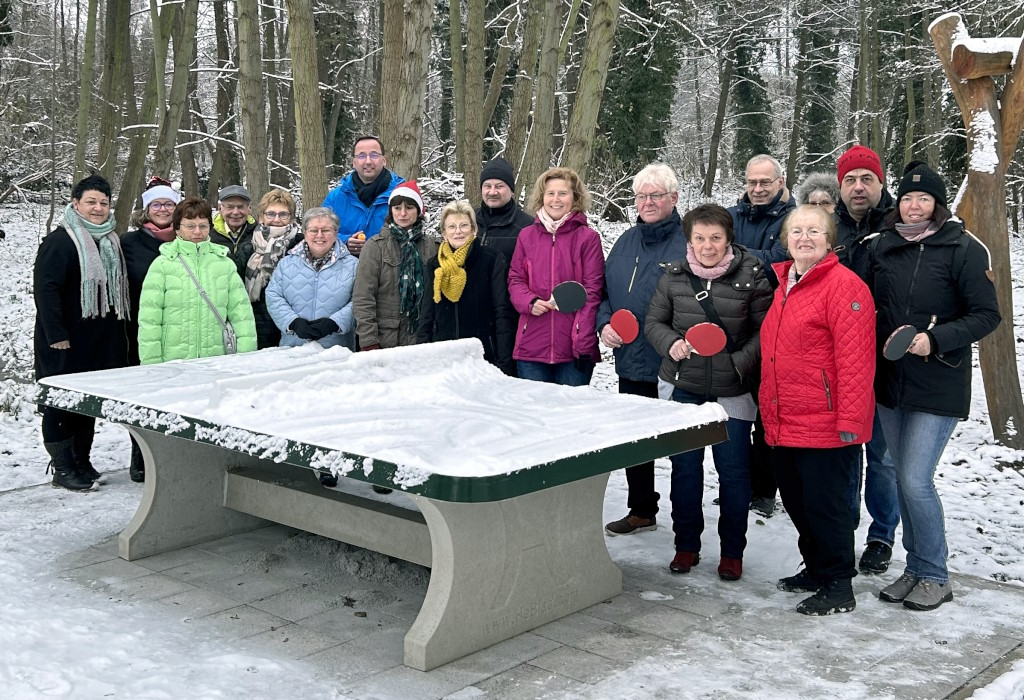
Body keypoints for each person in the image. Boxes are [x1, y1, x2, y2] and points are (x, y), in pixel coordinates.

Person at [868, 162, 1000, 611]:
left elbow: (986, 315)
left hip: (938, 382)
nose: (914, 204)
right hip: (889, 383)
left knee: (915, 479)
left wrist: (934, 339)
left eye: (923, 199)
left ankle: (935, 574)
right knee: (902, 481)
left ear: (938, 204)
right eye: (907, 198)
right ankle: (915, 567)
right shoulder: (881, 246)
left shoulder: (963, 248)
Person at [644, 203, 772, 581]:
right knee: (685, 470)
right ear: (689, 239)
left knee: (733, 473)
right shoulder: (674, 275)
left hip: (733, 390)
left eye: (715, 238)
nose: (707, 245)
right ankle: (686, 546)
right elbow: (654, 321)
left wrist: (738, 364)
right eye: (699, 238)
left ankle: (732, 552)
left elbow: (767, 331)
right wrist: (671, 344)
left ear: (728, 238)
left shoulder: (753, 274)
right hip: (685, 387)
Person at [761, 204, 876, 616]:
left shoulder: (844, 287)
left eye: (814, 231)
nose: (804, 238)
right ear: (786, 240)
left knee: (827, 507)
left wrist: (850, 420)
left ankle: (839, 585)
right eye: (797, 231)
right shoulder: (785, 283)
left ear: (830, 240)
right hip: (785, 418)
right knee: (797, 501)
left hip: (826, 423)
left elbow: (856, 362)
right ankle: (815, 569)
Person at [597, 162, 688, 537]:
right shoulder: (625, 240)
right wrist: (604, 324)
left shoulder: (688, 241)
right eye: (641, 196)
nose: (647, 202)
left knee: (682, 445)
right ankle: (641, 509)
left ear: (674, 198)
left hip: (675, 361)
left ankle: (686, 526)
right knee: (636, 440)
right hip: (630, 359)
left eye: (655, 195)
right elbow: (601, 291)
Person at [33, 174, 130, 491]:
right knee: (61, 403)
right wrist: (56, 335)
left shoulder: (110, 241)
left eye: (103, 202)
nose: (98, 208)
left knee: (86, 404)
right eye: (91, 202)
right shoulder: (60, 241)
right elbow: (46, 291)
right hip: (64, 341)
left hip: (97, 342)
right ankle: (62, 467)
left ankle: (81, 461)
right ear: (76, 204)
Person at [833, 145, 900, 578]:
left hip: (886, 360)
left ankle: (881, 534)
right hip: (838, 361)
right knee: (843, 453)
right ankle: (842, 529)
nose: (859, 188)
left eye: (867, 179)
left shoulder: (902, 225)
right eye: (850, 180)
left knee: (882, 457)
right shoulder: (827, 227)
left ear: (880, 183)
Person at [729, 154, 795, 519]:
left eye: (765, 183)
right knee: (736, 413)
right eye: (752, 182)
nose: (757, 189)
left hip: (775, 327)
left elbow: (778, 265)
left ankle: (764, 490)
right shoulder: (733, 214)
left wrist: (733, 253)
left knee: (766, 414)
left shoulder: (792, 219)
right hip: (733, 326)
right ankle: (738, 484)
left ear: (781, 181)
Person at [507, 167, 604, 386]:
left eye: (563, 193)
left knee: (571, 418)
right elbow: (515, 279)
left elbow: (592, 291)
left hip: (572, 350)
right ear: (542, 196)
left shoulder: (588, 238)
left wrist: (582, 340)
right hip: (531, 347)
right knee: (535, 418)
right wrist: (529, 302)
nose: (556, 199)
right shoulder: (526, 236)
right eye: (550, 193)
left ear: (575, 197)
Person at [138, 196, 257, 364]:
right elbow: (150, 320)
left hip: (216, 360)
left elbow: (242, 315)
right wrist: (152, 364)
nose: (197, 232)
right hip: (172, 362)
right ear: (177, 228)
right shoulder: (163, 265)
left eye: (203, 226)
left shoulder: (224, 264)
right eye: (190, 226)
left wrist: (245, 358)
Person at [122, 176, 182, 482]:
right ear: (146, 210)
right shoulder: (129, 243)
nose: (162, 209)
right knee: (144, 395)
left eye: (168, 203)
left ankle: (175, 456)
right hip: (141, 329)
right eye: (156, 204)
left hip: (180, 329)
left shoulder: (186, 239)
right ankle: (141, 454)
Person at [418, 200, 514, 374]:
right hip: (443, 357)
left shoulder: (491, 260)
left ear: (474, 230)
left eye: (464, 225)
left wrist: (504, 362)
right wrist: (421, 358)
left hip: (483, 357)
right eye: (452, 227)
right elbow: (427, 314)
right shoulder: (434, 265)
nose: (458, 231)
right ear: (444, 233)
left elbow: (502, 313)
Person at [352, 180, 438, 350]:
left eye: (409, 208)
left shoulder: (433, 246)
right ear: (391, 211)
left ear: (419, 211)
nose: (403, 213)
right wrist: (369, 341)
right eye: (397, 208)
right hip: (386, 339)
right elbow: (363, 298)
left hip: (425, 339)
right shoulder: (375, 247)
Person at [266, 207, 358, 350]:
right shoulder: (287, 263)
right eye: (314, 230)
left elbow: (360, 300)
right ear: (305, 233)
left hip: (336, 350)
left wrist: (335, 323)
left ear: (335, 233)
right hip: (293, 348)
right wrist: (292, 322)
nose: (319, 235)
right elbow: (273, 295)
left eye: (326, 230)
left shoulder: (353, 265)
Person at [322, 135, 405, 257]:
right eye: (361, 156)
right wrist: (345, 241)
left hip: (391, 268)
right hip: (346, 269)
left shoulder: (402, 194)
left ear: (384, 160)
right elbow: (321, 232)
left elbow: (415, 231)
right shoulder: (335, 198)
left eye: (374, 155)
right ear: (353, 162)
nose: (368, 161)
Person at [243, 188, 302, 349]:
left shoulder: (301, 244)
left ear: (291, 218)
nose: (277, 219)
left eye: (283, 214)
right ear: (261, 217)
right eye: (271, 214)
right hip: (257, 321)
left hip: (293, 320)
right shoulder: (249, 246)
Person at [475, 156, 533, 264]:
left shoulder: (527, 226)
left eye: (499, 186)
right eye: (487, 186)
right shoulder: (468, 220)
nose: (492, 192)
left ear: (511, 190)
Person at [210, 184, 258, 275]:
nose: (235, 212)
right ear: (220, 209)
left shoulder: (259, 234)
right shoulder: (208, 234)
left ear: (249, 208)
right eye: (230, 207)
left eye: (240, 207)